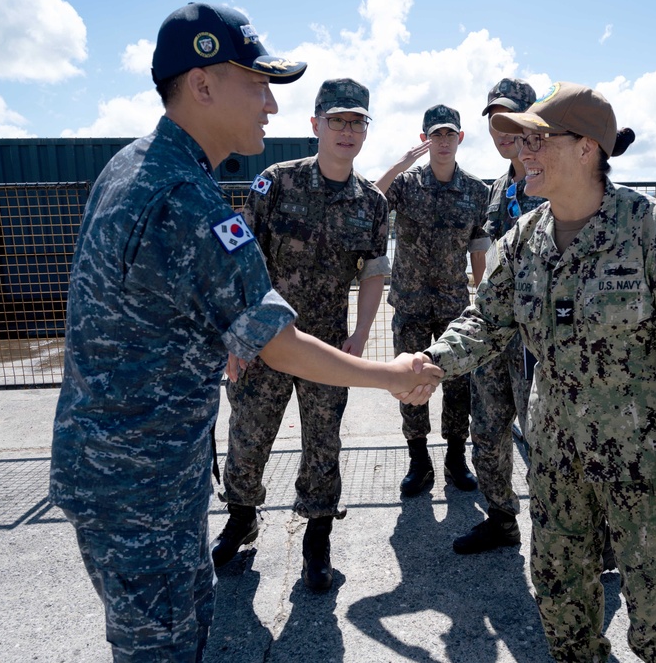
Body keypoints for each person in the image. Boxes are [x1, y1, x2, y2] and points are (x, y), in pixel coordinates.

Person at [48, 5, 441, 662]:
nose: (270, 105)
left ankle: (306, 533)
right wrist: (391, 375)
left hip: (120, 468)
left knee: (181, 623)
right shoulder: (187, 198)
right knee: (161, 646)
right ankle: (244, 517)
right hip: (139, 484)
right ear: (202, 85)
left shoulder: (133, 163)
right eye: (256, 84)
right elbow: (275, 341)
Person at [419, 81, 656, 661]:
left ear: (586, 149)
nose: (523, 150)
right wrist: (429, 363)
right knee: (560, 599)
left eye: (538, 139)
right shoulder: (524, 239)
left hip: (645, 467)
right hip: (555, 461)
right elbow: (487, 320)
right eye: (520, 139)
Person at [211, 78, 390, 592]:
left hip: (326, 346)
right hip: (266, 341)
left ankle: (317, 538)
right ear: (315, 126)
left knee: (322, 445)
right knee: (248, 435)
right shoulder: (275, 182)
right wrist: (239, 339)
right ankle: (242, 519)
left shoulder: (372, 204)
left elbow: (374, 270)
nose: (347, 131)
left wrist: (359, 333)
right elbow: (241, 261)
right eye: (337, 121)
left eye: (357, 122)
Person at [375, 104, 491, 497]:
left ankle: (456, 457)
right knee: (409, 382)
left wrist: (484, 294)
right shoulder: (407, 185)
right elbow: (372, 201)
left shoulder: (477, 191)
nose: (443, 141)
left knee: (458, 383)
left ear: (460, 138)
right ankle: (418, 459)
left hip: (453, 305)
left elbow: (478, 246)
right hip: (409, 302)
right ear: (425, 139)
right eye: (435, 135)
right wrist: (401, 162)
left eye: (449, 134)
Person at [452, 78, 541, 554]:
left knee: (548, 438)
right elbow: (488, 255)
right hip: (496, 334)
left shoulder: (552, 177)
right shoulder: (499, 187)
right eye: (493, 118)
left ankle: (592, 537)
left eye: (511, 117)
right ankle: (501, 519)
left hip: (539, 340)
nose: (501, 128)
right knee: (486, 430)